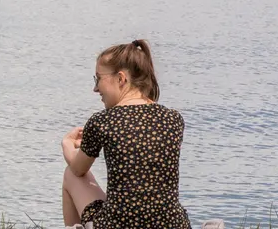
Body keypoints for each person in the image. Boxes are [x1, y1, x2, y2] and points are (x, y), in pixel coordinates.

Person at [61, 40, 191, 229]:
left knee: (69, 175)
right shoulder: (173, 119)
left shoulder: (102, 121)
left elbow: (78, 169)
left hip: (118, 225)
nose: (95, 89)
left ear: (121, 78)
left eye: (98, 79)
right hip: (173, 225)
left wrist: (67, 146)